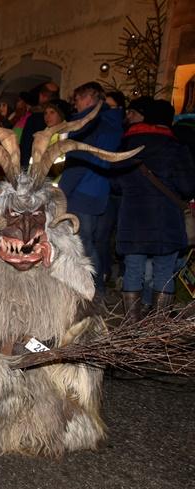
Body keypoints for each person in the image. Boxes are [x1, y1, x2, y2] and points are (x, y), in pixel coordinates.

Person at [114, 99, 195, 321]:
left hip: (133, 219)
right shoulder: (176, 148)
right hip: (166, 220)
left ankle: (131, 325)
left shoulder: (127, 145)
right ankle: (158, 327)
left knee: (133, 270)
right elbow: (187, 186)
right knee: (164, 272)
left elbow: (115, 184)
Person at [58, 81, 124, 296]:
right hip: (100, 191)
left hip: (81, 192)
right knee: (93, 242)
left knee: (82, 244)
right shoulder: (112, 122)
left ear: (89, 98)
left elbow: (78, 161)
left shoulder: (87, 123)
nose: (75, 104)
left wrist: (61, 193)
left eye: (77, 99)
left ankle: (94, 291)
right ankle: (95, 286)